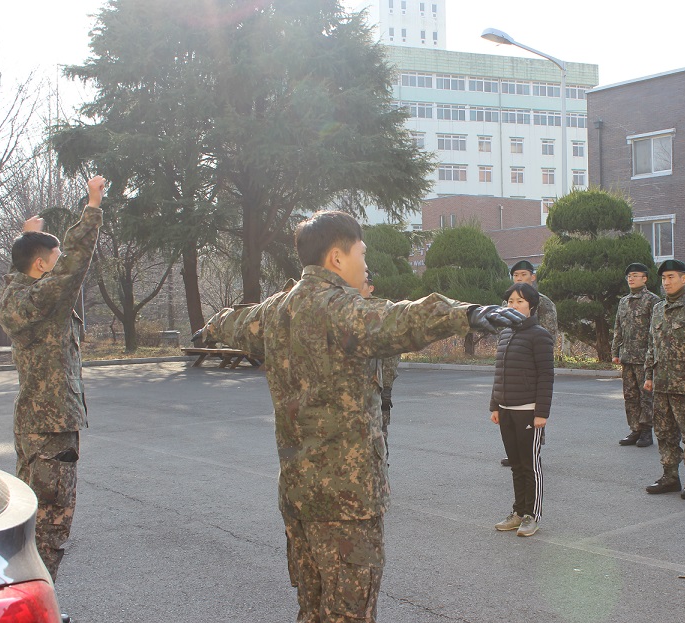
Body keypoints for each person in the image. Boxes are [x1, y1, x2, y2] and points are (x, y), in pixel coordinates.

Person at [196, 211, 523, 622]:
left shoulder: (276, 310)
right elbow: (398, 319)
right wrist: (467, 313)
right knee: (349, 614)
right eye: (361, 253)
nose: (366, 265)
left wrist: (211, 327)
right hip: (347, 503)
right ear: (336, 258)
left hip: (299, 497)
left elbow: (235, 321)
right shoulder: (341, 309)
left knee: (312, 610)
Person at [0, 176, 105, 586]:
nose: (60, 265)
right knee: (50, 524)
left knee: (30, 515)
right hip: (53, 426)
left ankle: (23, 595)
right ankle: (38, 599)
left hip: (33, 425)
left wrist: (29, 238)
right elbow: (75, 264)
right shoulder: (44, 298)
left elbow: (22, 271)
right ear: (42, 265)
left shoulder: (16, 296)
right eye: (52, 258)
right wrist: (92, 206)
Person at [490, 282, 554, 537]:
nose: (513, 306)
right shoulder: (505, 334)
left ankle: (532, 516)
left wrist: (541, 413)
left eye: (519, 301)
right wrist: (495, 405)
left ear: (531, 305)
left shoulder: (540, 335)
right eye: (510, 302)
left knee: (530, 465)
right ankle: (518, 512)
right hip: (505, 409)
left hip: (528, 410)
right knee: (516, 464)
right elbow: (499, 373)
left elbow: (546, 376)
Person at [643, 260, 685, 499]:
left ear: (684, 278)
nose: (667, 282)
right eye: (663, 278)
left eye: (671, 277)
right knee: (664, 432)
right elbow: (652, 345)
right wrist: (649, 375)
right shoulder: (658, 309)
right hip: (661, 383)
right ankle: (670, 476)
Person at [499, 260, 558, 465]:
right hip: (514, 355)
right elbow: (501, 328)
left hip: (534, 355)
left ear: (532, 277)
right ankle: (516, 450)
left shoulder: (543, 302)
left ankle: (534, 450)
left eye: (523, 274)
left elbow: (550, 331)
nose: (520, 278)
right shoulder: (508, 302)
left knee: (534, 408)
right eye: (516, 275)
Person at [611, 263, 660, 447]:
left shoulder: (652, 301)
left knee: (645, 396)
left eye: (635, 275)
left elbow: (656, 331)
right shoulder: (624, 301)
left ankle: (646, 431)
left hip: (644, 358)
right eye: (629, 276)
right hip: (627, 357)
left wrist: (653, 355)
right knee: (630, 395)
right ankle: (635, 429)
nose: (631, 278)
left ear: (645, 278)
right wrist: (615, 351)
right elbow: (618, 327)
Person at [359, 271, 400, 454]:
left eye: (363, 283)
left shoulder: (380, 311)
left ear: (371, 287)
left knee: (379, 439)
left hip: (377, 388)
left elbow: (391, 354)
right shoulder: (345, 309)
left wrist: (387, 391)